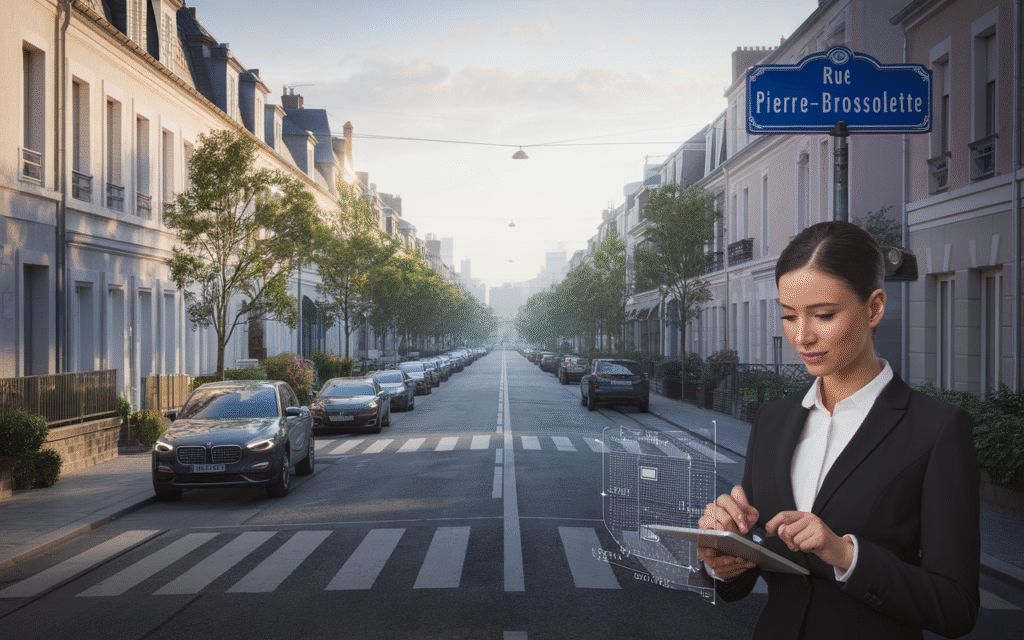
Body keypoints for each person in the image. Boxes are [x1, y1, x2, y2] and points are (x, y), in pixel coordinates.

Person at [697, 221, 979, 639]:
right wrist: (724, 556)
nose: (802, 336)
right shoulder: (772, 421)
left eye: (823, 315)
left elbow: (956, 608)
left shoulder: (936, 430)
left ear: (874, 308)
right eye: (789, 316)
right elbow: (746, 577)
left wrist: (846, 555)